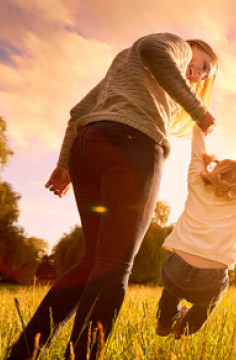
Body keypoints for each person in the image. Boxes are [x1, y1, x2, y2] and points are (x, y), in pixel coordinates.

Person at [9, 33, 219, 360]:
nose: (201, 74)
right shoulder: (175, 45)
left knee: (92, 261)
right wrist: (198, 108)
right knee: (114, 264)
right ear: (193, 48)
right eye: (203, 64)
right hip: (132, 144)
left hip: (89, 146)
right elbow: (153, 48)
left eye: (206, 75)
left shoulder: (125, 65)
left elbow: (79, 111)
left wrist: (65, 164)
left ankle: (22, 353)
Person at [155, 124, 236, 339]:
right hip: (210, 278)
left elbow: (197, 152)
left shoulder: (197, 181)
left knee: (172, 288)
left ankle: (165, 322)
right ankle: (184, 330)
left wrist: (199, 126)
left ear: (217, 170)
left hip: (175, 268)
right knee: (208, 303)